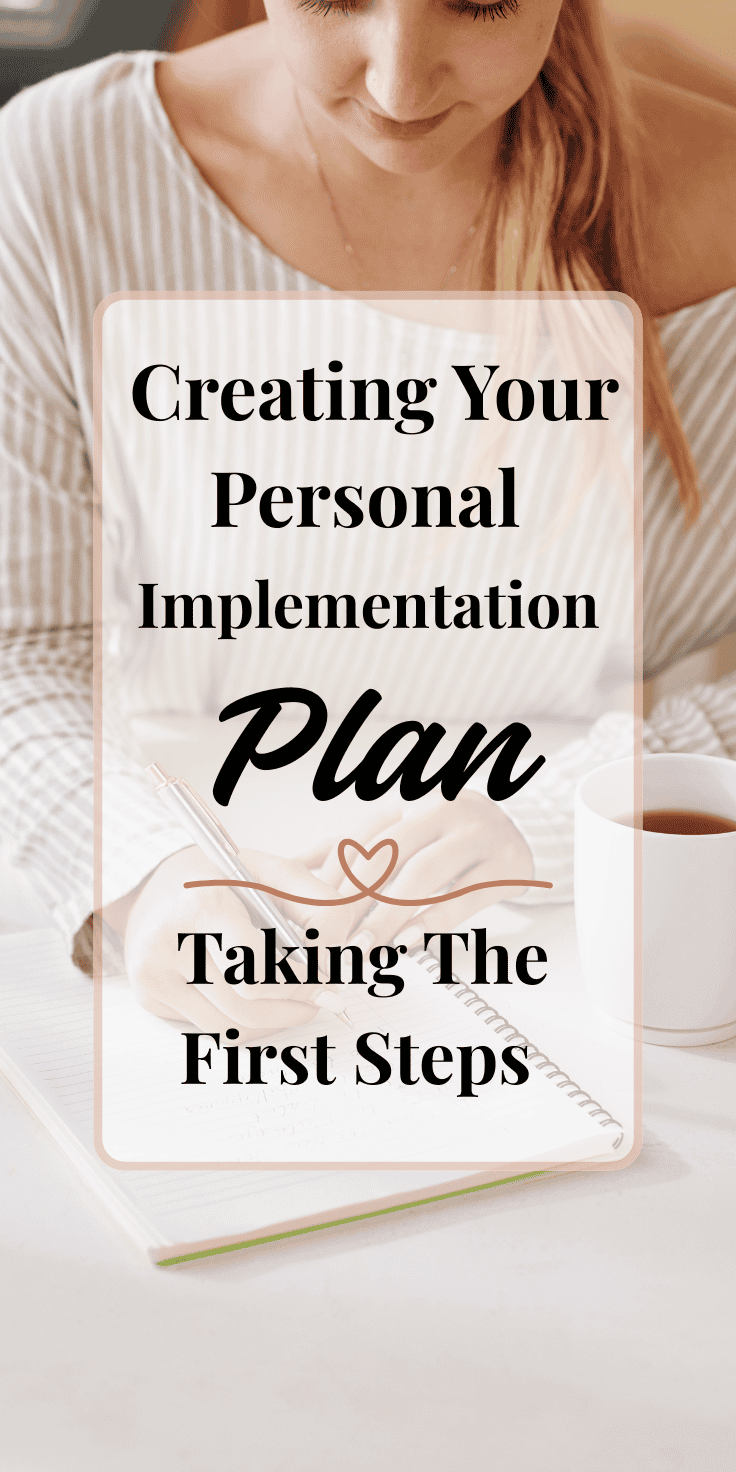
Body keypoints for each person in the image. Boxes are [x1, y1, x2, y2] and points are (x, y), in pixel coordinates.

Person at [0, 0, 734, 1037]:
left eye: (478, 2)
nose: (397, 86)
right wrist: (145, 878)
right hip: (169, 959)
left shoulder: (718, 195)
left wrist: (559, 817)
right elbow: (22, 653)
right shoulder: (62, 172)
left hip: (611, 984)